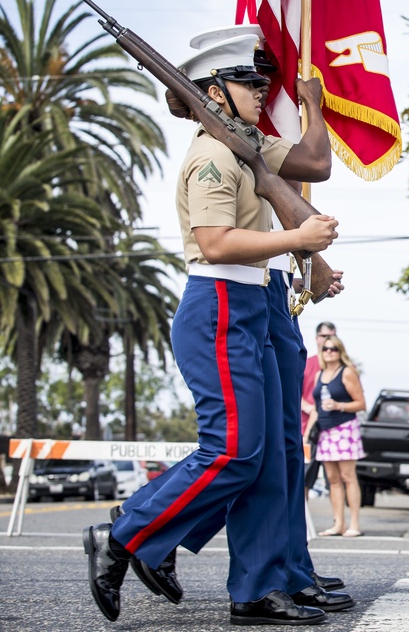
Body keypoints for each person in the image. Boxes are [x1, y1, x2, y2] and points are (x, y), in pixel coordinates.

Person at [83, 33, 339, 625]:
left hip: (249, 303)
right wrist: (298, 241)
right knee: (234, 450)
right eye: (250, 84)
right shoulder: (212, 157)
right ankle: (124, 535)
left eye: (260, 82)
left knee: (261, 454)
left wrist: (314, 109)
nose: (261, 92)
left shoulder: (245, 146)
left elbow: (316, 165)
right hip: (220, 303)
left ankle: (248, 585)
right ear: (214, 94)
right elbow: (215, 244)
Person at [305, 336, 367, 538]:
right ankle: (338, 523)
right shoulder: (319, 375)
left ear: (340, 351)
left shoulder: (347, 372)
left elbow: (361, 404)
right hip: (325, 430)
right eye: (325, 349)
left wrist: (339, 405)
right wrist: (307, 434)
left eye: (333, 349)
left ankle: (354, 523)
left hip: (344, 428)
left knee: (348, 477)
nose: (329, 352)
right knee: (332, 479)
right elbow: (316, 408)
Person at [303, 322, 338, 493]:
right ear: (317, 338)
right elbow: (293, 394)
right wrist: (310, 408)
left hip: (332, 432)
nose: (327, 340)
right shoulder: (305, 363)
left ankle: (339, 520)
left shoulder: (344, 368)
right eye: (324, 336)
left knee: (335, 481)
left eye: (331, 336)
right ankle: (302, 519)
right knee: (303, 479)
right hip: (307, 433)